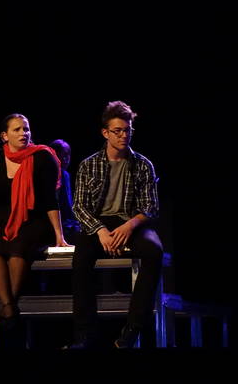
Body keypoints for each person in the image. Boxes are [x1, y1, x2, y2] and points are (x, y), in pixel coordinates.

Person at [67, 101, 163, 349]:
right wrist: (100, 231)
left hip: (131, 220)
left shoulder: (142, 164)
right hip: (98, 223)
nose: (123, 135)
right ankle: (85, 335)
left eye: (127, 130)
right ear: (105, 132)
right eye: (117, 131)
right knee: (81, 259)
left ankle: (132, 330)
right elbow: (79, 206)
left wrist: (130, 226)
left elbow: (151, 206)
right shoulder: (89, 164)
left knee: (154, 251)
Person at [0, 114, 67, 330]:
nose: (23, 133)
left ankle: (8, 308)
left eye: (26, 129)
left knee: (19, 246)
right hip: (3, 217)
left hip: (34, 217)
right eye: (17, 129)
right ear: (4, 136)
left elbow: (50, 200)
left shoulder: (43, 157)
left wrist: (60, 235)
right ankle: (9, 307)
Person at [49, 139, 80, 244]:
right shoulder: (54, 173)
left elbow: (68, 203)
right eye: (62, 155)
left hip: (67, 221)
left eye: (68, 155)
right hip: (58, 222)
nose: (66, 159)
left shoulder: (65, 174)